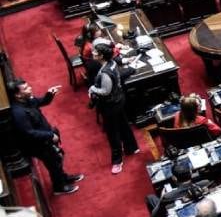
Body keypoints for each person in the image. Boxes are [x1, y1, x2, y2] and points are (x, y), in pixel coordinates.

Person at [8, 79, 82, 194]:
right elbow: (29, 133)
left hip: (45, 138)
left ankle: (63, 178)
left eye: (29, 86)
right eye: (26, 88)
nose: (30, 89)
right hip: (37, 144)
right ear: (18, 95)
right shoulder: (18, 113)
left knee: (56, 159)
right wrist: (50, 135)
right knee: (53, 163)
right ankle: (59, 187)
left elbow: (41, 101)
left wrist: (49, 94)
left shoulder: (27, 100)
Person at [88, 40, 141, 174]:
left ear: (101, 56)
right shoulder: (112, 63)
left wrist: (93, 88)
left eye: (95, 52)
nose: (93, 53)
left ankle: (117, 160)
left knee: (112, 133)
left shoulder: (104, 72)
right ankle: (131, 147)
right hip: (119, 100)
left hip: (110, 105)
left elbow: (105, 91)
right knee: (123, 124)